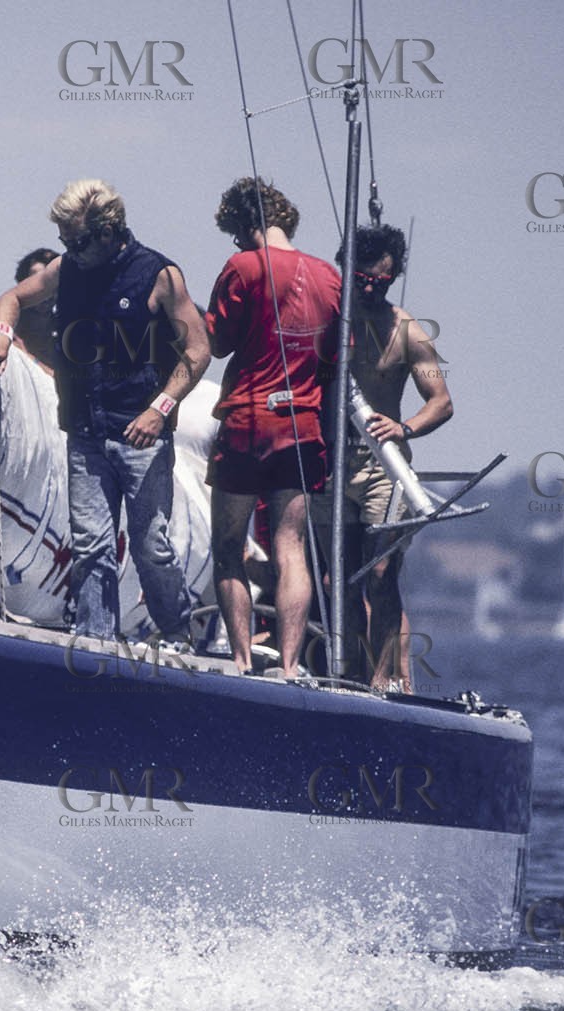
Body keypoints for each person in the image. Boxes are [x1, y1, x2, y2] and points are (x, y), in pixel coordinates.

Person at [0, 180, 210, 644]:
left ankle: (177, 628)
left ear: (108, 231)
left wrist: (160, 408)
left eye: (78, 240)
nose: (70, 248)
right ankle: (94, 645)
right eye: (65, 240)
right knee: (92, 547)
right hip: (86, 433)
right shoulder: (67, 270)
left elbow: (199, 349)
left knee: (152, 549)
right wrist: (4, 333)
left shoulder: (159, 275)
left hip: (141, 435)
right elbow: (13, 297)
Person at [202, 177, 340, 677]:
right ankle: (288, 664)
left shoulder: (242, 267)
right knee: (291, 548)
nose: (236, 244)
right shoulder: (330, 277)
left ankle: (240, 660)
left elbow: (217, 343)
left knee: (228, 546)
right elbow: (335, 360)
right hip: (302, 424)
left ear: (246, 225)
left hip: (246, 419)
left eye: (236, 233)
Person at [327, 223, 452, 690]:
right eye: (360, 278)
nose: (369, 288)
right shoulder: (328, 320)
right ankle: (349, 676)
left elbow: (441, 400)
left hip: (385, 467)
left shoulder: (409, 332)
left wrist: (404, 427)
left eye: (380, 281)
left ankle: (384, 681)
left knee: (381, 573)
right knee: (335, 577)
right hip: (333, 463)